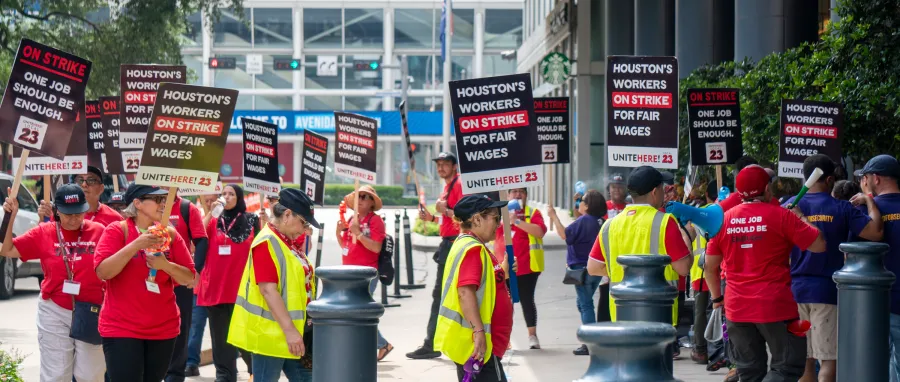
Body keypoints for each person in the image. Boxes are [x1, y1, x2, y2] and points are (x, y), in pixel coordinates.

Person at [704, 165, 826, 382]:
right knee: (787, 368)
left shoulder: (723, 220)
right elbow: (819, 244)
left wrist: (717, 299)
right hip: (775, 307)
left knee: (749, 372)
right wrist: (800, 219)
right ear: (767, 188)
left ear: (738, 192)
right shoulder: (782, 216)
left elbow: (709, 267)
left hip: (737, 308)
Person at [783, 155, 883, 382]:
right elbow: (876, 233)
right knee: (827, 361)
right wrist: (869, 200)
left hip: (794, 294)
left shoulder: (788, 207)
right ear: (829, 180)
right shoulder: (842, 208)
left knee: (804, 362)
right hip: (827, 294)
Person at [0, 184, 107, 382]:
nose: (74, 219)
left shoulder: (99, 231)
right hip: (55, 310)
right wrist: (11, 216)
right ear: (57, 211)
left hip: (91, 309)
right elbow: (7, 250)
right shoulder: (44, 232)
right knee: (56, 374)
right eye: (68, 214)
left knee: (90, 375)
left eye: (79, 213)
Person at [94, 184, 196, 382]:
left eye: (165, 200)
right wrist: (137, 244)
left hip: (163, 329)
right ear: (138, 203)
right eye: (157, 200)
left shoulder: (170, 234)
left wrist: (165, 265)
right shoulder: (117, 230)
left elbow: (189, 278)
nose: (163, 204)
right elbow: (103, 272)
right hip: (122, 328)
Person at [587, 166, 693, 357]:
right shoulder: (664, 222)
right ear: (655, 191)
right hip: (659, 313)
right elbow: (683, 268)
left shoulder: (610, 225)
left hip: (620, 312)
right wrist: (687, 240)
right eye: (662, 188)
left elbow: (593, 267)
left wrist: (622, 272)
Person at [228, 188, 320, 382]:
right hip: (271, 336)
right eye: (303, 223)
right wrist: (290, 331)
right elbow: (268, 290)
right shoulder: (267, 241)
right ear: (287, 215)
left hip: (293, 334)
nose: (304, 230)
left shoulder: (287, 241)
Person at [434, 194, 513, 382]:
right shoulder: (473, 249)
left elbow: (483, 285)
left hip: (480, 345)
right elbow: (465, 292)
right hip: (478, 346)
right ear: (477, 219)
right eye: (495, 218)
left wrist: (504, 271)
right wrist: (478, 332)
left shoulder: (473, 245)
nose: (499, 224)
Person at [198, 185, 259, 381]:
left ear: (239, 197)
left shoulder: (252, 220)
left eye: (231, 194)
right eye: (223, 194)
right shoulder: (214, 220)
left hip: (241, 288)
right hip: (215, 287)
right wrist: (209, 213)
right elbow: (197, 236)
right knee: (220, 337)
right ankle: (224, 375)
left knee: (243, 335)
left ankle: (254, 370)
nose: (226, 197)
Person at [409, 151, 463, 360]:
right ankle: (435, 341)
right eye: (439, 164)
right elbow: (449, 222)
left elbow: (466, 216)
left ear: (454, 166)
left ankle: (432, 343)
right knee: (444, 295)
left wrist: (446, 210)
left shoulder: (458, 185)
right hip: (448, 243)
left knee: (442, 296)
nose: (441, 168)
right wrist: (433, 217)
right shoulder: (448, 186)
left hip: (454, 245)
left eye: (445, 164)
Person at [854, 155, 900, 382]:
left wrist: (867, 200)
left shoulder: (864, 210)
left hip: (872, 301)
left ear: (876, 178)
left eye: (866, 177)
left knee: (872, 363)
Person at [335, 185, 393, 360]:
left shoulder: (375, 221)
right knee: (354, 310)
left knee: (357, 310)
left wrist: (359, 234)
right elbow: (345, 246)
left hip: (366, 273)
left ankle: (381, 344)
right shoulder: (353, 218)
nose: (360, 200)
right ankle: (378, 344)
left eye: (365, 197)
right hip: (349, 272)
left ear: (372, 203)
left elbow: (376, 247)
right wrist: (339, 232)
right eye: (358, 196)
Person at [547, 189, 607, 356]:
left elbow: (564, 235)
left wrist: (553, 216)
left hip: (581, 269)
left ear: (587, 206)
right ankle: (590, 339)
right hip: (596, 269)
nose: (579, 203)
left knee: (586, 304)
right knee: (583, 303)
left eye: (581, 201)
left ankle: (590, 342)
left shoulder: (584, 221)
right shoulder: (599, 222)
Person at [493, 187, 546, 349]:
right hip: (504, 268)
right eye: (513, 191)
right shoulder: (497, 214)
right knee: (504, 304)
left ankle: (532, 336)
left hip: (528, 268)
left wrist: (516, 221)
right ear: (507, 195)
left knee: (526, 300)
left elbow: (539, 232)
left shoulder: (532, 212)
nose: (517, 194)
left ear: (526, 195)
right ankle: (505, 339)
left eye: (521, 191)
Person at [165, 189, 209, 382]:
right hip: (151, 281)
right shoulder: (148, 205)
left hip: (180, 281)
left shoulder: (186, 208)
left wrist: (196, 272)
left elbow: (201, 241)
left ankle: (175, 375)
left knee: (181, 329)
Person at [185, 191, 221, 377]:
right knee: (195, 325)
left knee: (221, 328)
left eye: (213, 198)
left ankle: (224, 365)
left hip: (220, 285)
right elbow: (194, 241)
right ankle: (191, 362)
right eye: (206, 199)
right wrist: (209, 214)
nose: (210, 202)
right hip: (200, 285)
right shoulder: (196, 214)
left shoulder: (228, 217)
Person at [689, 181, 720, 365]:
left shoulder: (698, 214)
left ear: (707, 194)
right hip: (718, 270)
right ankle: (715, 349)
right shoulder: (724, 212)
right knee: (716, 311)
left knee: (700, 312)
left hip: (700, 271)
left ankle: (701, 349)